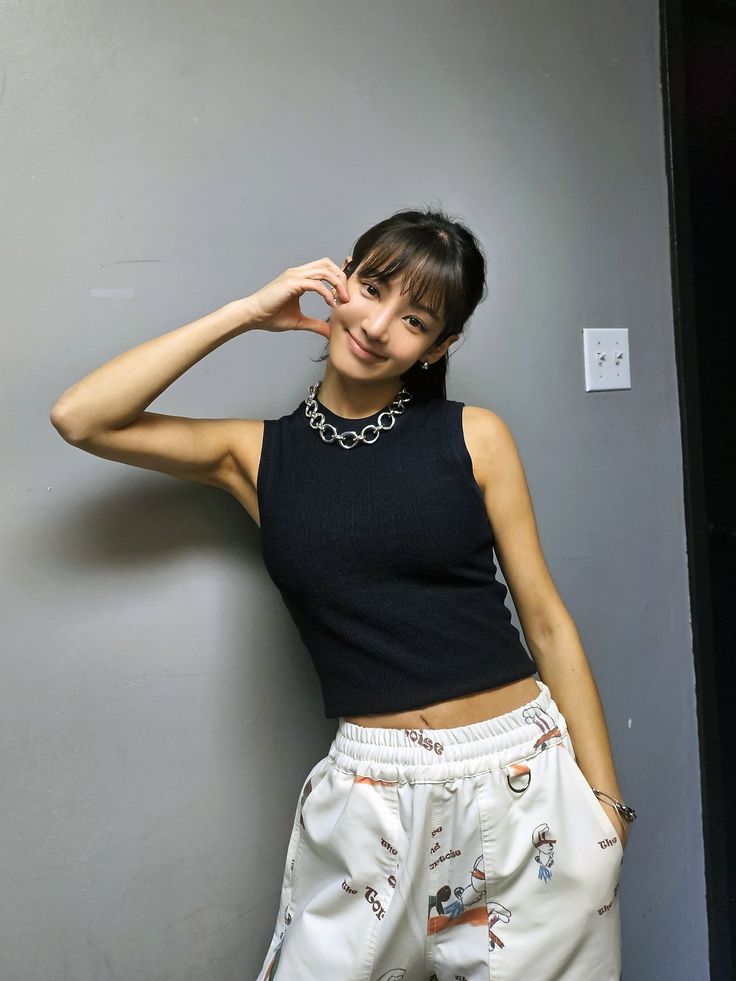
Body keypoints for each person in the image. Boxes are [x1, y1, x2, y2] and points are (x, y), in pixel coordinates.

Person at [50, 206, 636, 980]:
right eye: (371, 287)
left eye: (417, 318)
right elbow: (81, 417)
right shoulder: (255, 455)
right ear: (338, 283)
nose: (379, 324)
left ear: (439, 347)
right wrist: (246, 314)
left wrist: (605, 812)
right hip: (370, 792)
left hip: (522, 782)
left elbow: (547, 622)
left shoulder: (475, 436)